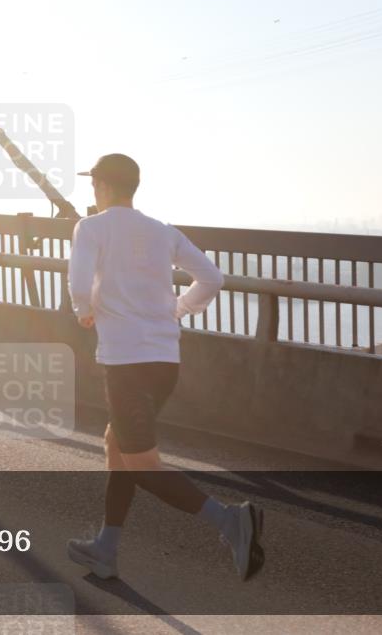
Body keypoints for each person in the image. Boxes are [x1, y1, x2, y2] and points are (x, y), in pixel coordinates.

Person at [66, 153, 264, 581]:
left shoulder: (91, 228)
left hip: (127, 365)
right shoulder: (162, 231)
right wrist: (177, 309)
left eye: (94, 185)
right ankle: (106, 547)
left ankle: (231, 521)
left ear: (101, 185)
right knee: (116, 445)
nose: (93, 192)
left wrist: (84, 309)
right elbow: (212, 278)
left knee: (143, 465)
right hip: (164, 361)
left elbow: (79, 284)